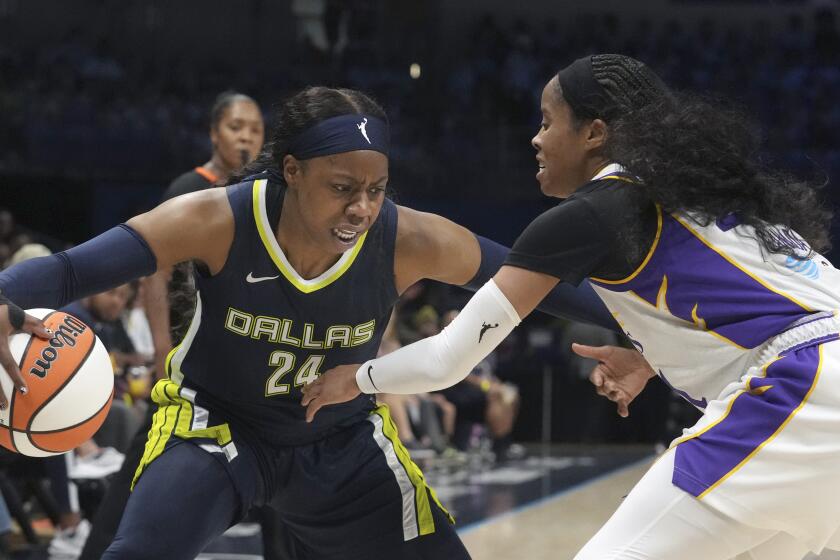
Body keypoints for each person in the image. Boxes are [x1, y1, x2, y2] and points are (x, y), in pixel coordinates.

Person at [0, 85, 618, 559]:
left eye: (377, 189)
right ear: (291, 171)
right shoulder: (216, 218)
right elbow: (69, 271)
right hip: (218, 429)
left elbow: (539, 277)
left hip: (340, 438)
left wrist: (643, 331)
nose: (362, 207)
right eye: (343, 187)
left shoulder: (408, 238)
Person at [304, 55, 840, 560]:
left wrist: (357, 378)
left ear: (594, 133)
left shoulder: (594, 211)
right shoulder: (702, 197)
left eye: (546, 121)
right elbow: (776, 311)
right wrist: (652, 357)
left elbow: (449, 359)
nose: (535, 139)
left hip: (801, 394)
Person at [77, 90, 274, 560]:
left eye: (254, 128)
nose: (246, 135)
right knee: (147, 455)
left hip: (243, 353)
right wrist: (165, 348)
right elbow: (155, 272)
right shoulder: (191, 186)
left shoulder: (263, 193)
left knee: (276, 466)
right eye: (235, 126)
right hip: (190, 353)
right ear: (213, 133)